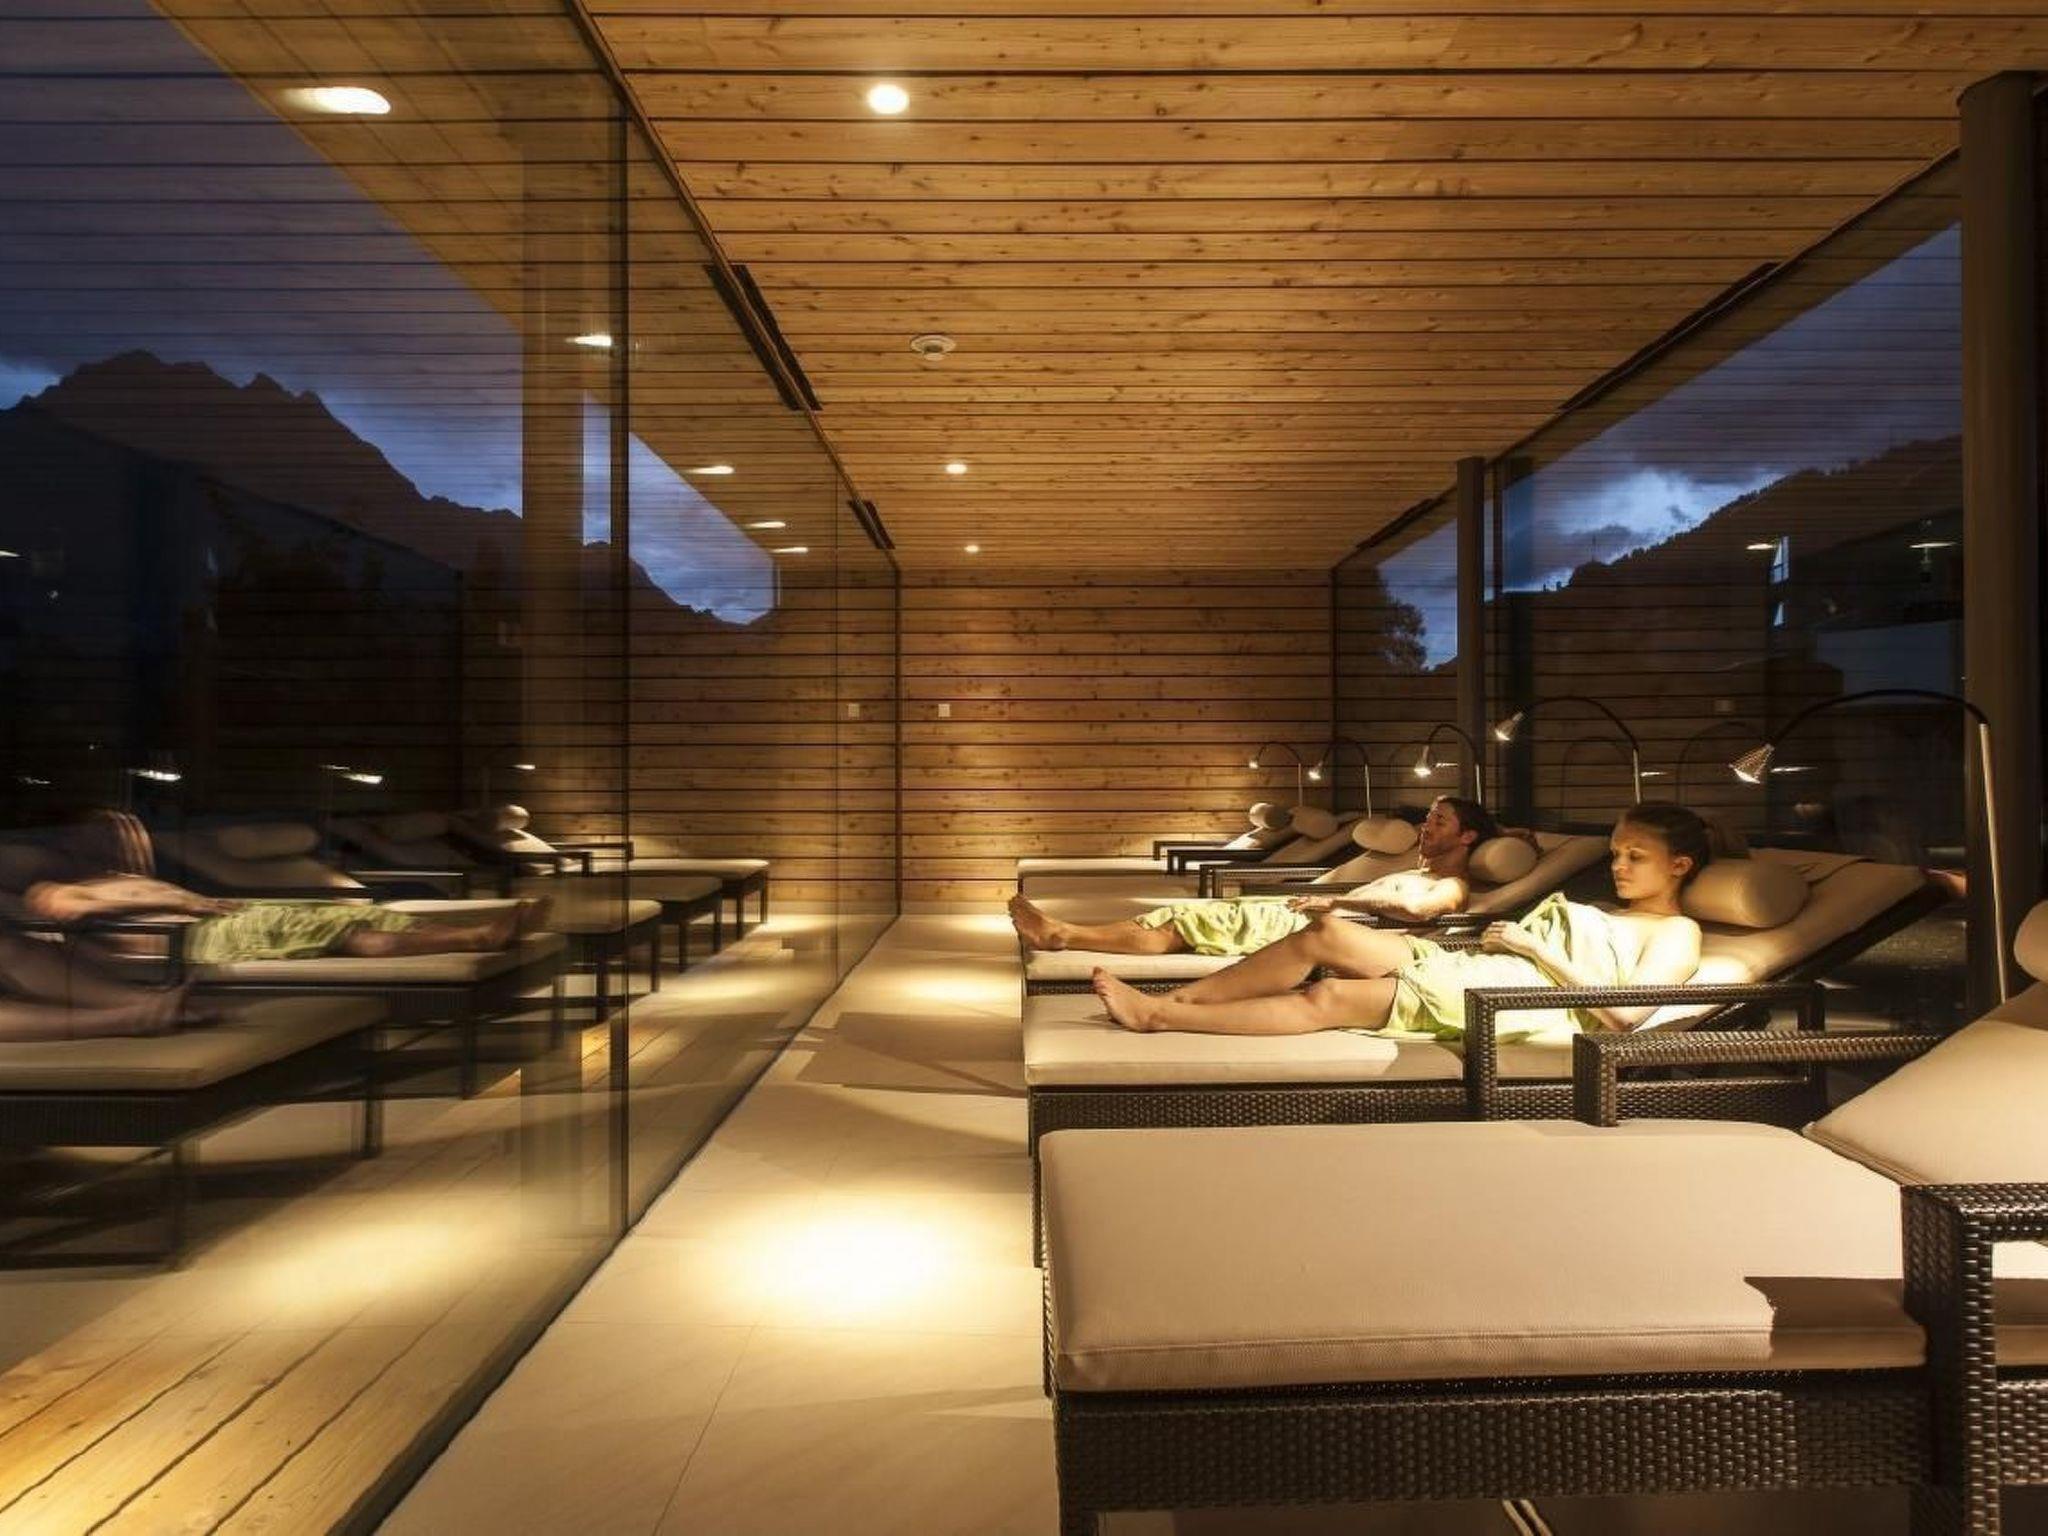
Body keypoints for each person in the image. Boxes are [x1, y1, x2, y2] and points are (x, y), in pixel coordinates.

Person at [1091, 802, 1723, 1041]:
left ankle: (1162, 1016)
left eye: (1635, 857)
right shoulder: (1609, 912)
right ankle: (1179, 997)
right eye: (1615, 853)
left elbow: (1628, 1017)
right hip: (1477, 966)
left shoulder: (1679, 933)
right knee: (1324, 933)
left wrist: (1538, 950)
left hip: (1514, 997)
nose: (1617, 866)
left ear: (1680, 866)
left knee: (1330, 996)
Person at [1008, 796, 1503, 958]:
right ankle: (1067, 931)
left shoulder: (1451, 887)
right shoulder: (1411, 865)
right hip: (1303, 912)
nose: (1425, 827)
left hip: (1313, 928)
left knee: (1186, 925)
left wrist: (1339, 903)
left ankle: (1063, 935)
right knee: (1183, 912)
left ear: (1467, 838)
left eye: (1439, 822)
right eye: (1427, 818)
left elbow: (1417, 911)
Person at [22, 872, 549, 967]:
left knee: (358, 915)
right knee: (342, 933)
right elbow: (73, 912)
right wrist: (185, 906)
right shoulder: (56, 889)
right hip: (202, 936)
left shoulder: (108, 872)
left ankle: (479, 933)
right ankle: (476, 937)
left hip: (222, 913)